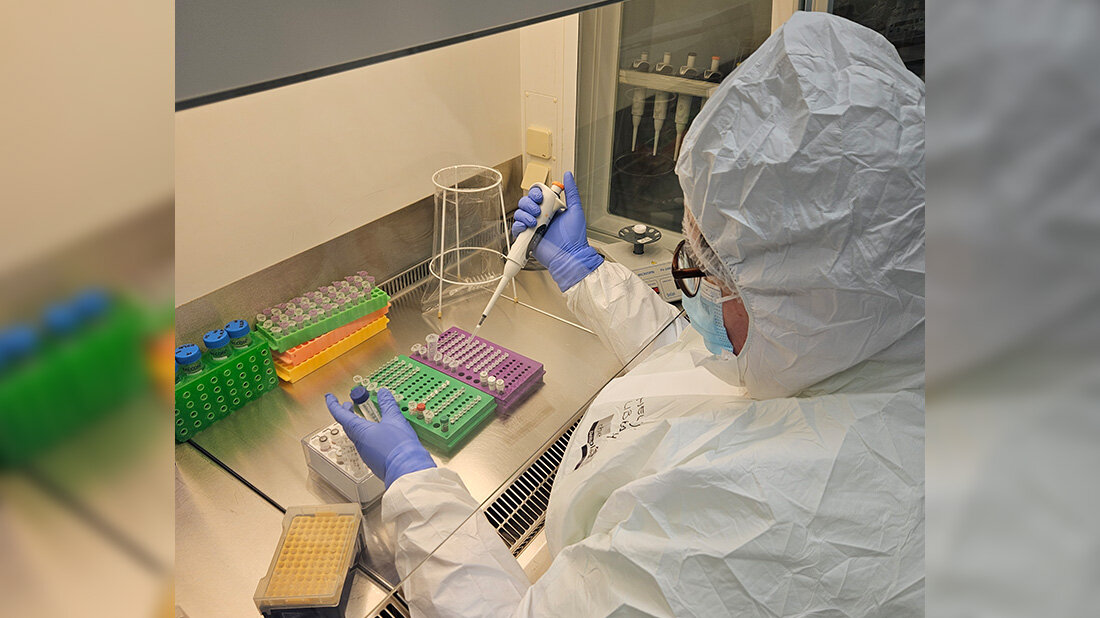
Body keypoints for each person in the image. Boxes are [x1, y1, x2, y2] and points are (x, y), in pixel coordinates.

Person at [326, 11, 924, 616]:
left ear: (805, 297)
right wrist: (583, 271)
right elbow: (698, 368)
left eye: (714, 271)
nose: (702, 290)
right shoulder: (887, 336)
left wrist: (416, 487)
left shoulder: (752, 519)